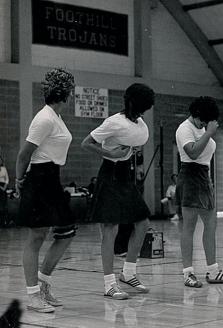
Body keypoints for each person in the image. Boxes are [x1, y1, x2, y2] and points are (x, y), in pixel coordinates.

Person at [81, 83, 155, 300]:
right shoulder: (113, 122)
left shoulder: (138, 122)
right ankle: (109, 284)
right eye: (142, 107)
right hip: (110, 174)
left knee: (143, 223)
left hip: (125, 175)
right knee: (110, 229)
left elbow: (135, 142)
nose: (143, 112)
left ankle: (128, 273)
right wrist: (108, 152)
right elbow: (86, 143)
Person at [15, 68, 76, 313]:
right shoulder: (44, 118)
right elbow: (24, 154)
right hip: (39, 180)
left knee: (67, 232)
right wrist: (19, 180)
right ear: (64, 94)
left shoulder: (55, 117)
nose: (71, 96)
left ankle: (43, 284)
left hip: (52, 179)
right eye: (70, 92)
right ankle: (33, 295)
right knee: (36, 237)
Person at [175, 96, 223, 287]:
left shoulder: (202, 127)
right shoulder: (184, 128)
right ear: (196, 114)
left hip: (203, 176)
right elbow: (192, 152)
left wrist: (206, 132)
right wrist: (209, 133)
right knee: (189, 226)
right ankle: (188, 273)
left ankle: (212, 270)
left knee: (211, 224)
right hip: (190, 175)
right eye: (203, 119)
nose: (204, 123)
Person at [0, 157, 9, 223]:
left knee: (3, 204)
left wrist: (4, 188)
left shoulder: (4, 169)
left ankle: (4, 221)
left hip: (3, 187)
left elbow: (7, 179)